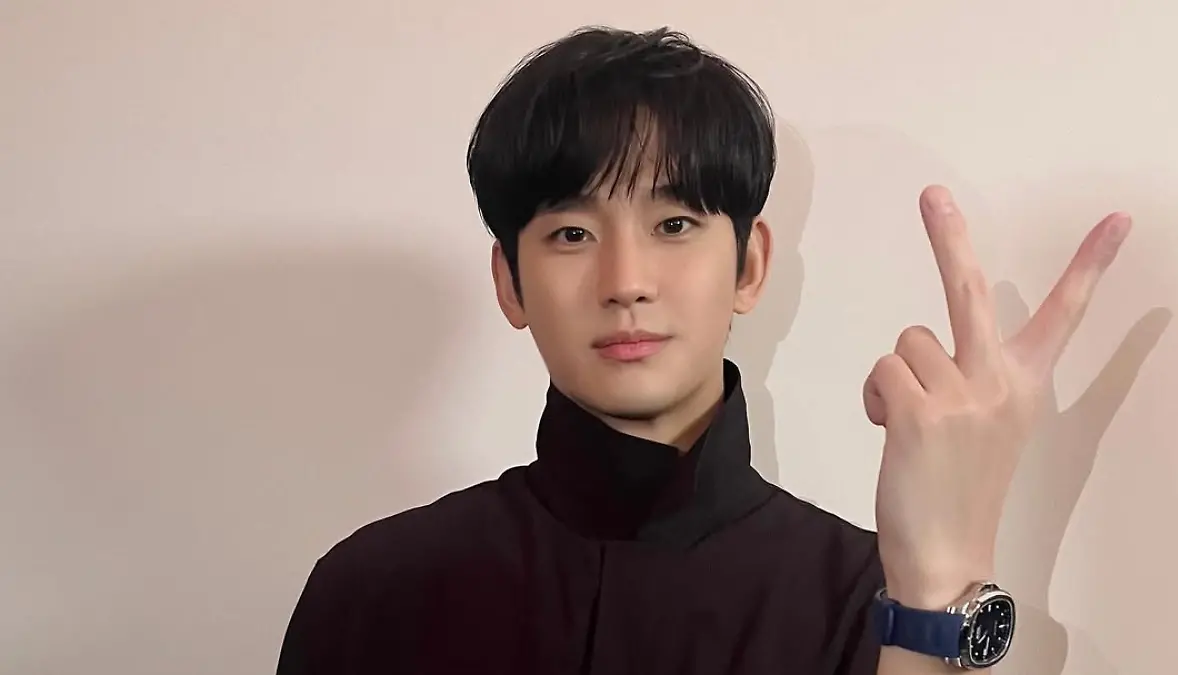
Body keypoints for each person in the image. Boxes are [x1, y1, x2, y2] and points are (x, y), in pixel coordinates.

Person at [275, 26, 1130, 674]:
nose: (626, 280)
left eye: (675, 223)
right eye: (571, 233)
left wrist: (944, 582)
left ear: (748, 266)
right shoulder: (374, 591)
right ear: (510, 282)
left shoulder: (867, 597)